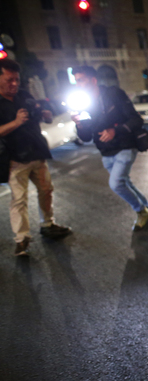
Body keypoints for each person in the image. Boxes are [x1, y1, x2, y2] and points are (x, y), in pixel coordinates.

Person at [0, 58, 72, 256]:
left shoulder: (24, 95)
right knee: (19, 199)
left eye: (17, 79)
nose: (14, 84)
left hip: (36, 153)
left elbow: (37, 114)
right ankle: (21, 238)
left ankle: (48, 224)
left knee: (46, 190)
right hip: (15, 160)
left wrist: (46, 115)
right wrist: (16, 122)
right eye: (9, 80)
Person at [71, 66, 148, 230]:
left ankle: (141, 211)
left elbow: (136, 120)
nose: (78, 84)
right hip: (106, 152)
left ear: (93, 80)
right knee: (125, 183)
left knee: (116, 184)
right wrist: (80, 125)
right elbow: (86, 137)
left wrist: (114, 131)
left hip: (125, 146)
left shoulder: (113, 94)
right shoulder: (85, 105)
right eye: (76, 81)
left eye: (81, 80)